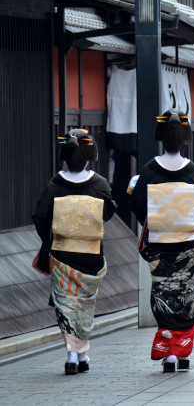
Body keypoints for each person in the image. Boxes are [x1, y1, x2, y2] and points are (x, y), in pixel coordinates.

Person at [130, 109, 194, 373]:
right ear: (185, 138)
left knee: (163, 292)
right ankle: (182, 351)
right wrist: (187, 222)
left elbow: (137, 205)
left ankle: (169, 355)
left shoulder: (150, 170)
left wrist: (157, 223)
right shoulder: (193, 171)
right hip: (187, 244)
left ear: (161, 137)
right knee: (186, 292)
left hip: (159, 244)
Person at [32, 128, 117, 375]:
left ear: (66, 157)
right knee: (84, 304)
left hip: (62, 253)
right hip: (90, 253)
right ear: (89, 156)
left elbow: (40, 216)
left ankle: (73, 354)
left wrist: (53, 235)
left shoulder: (55, 184)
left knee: (66, 304)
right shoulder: (98, 183)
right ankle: (81, 353)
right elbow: (109, 211)